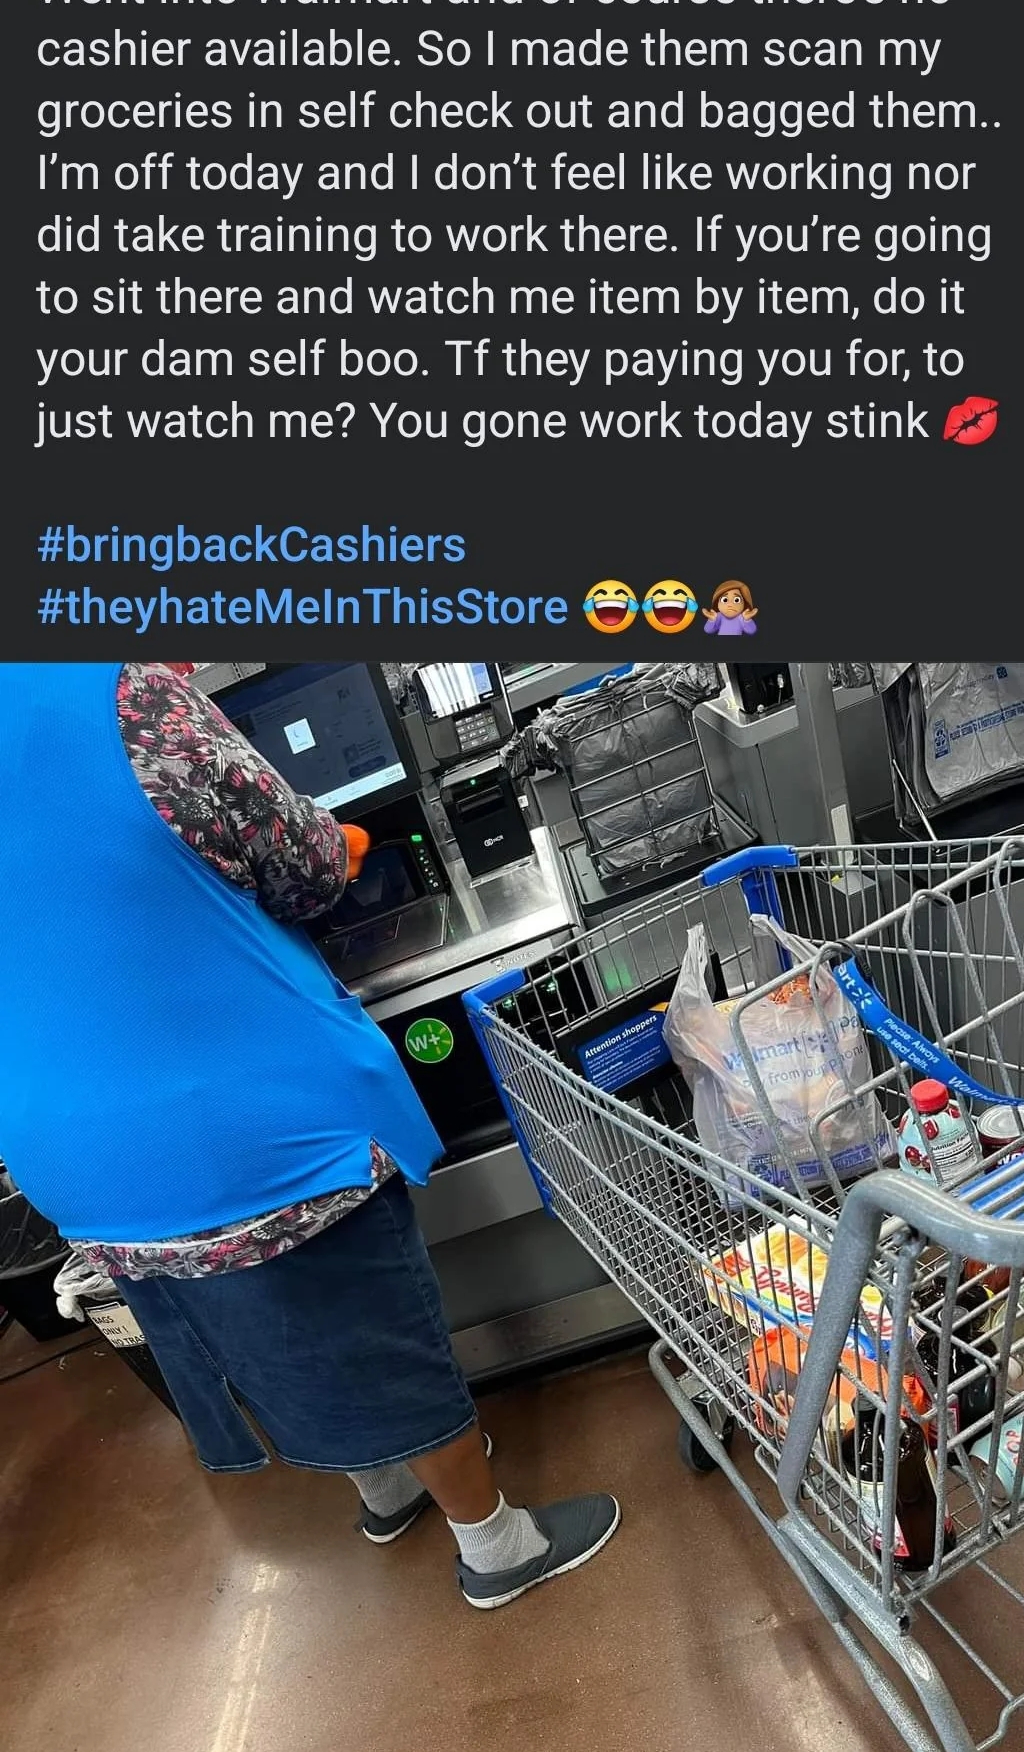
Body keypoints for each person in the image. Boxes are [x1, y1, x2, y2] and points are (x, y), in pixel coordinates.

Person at [0, 663, 620, 1609]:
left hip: (76, 1161)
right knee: (373, 1330)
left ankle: (385, 1491)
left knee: (268, 1334)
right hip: (244, 1123)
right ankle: (497, 1547)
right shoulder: (121, 696)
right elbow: (304, 870)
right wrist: (341, 841)